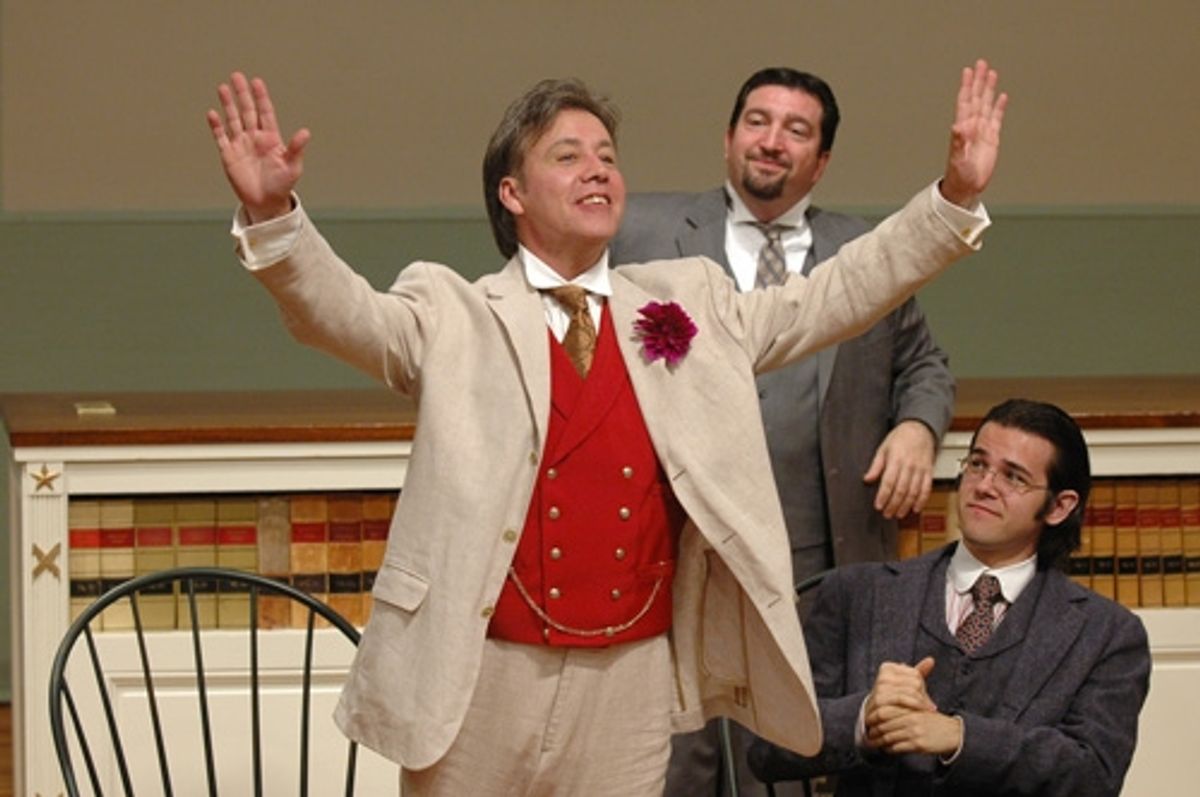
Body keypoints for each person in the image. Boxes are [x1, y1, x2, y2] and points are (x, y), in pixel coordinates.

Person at [205, 60, 1006, 796]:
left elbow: (839, 291)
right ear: (512, 193)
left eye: (608, 157)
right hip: (482, 677)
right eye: (568, 156)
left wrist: (953, 197)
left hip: (630, 683)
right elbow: (341, 313)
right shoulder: (453, 313)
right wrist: (273, 216)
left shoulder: (690, 300)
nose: (598, 169)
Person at [611, 67, 955, 797]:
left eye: (796, 130)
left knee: (792, 763)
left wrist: (917, 428)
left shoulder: (865, 249)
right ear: (728, 137)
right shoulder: (639, 232)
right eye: (758, 122)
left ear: (820, 161)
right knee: (677, 768)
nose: (772, 141)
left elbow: (924, 365)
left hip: (814, 567)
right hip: (677, 555)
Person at [748, 399, 1152, 796]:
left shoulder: (1107, 634)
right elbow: (766, 750)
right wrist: (862, 718)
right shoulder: (857, 593)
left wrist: (961, 738)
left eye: (1013, 477)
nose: (984, 486)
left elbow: (1094, 776)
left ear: (1059, 507)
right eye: (977, 464)